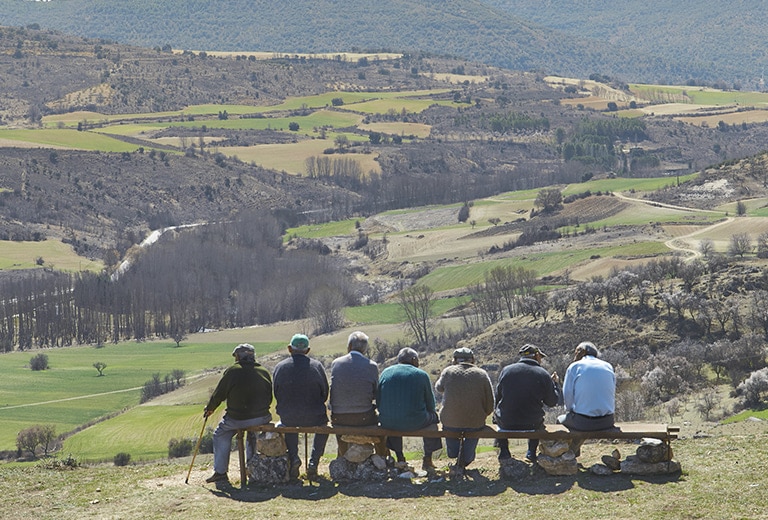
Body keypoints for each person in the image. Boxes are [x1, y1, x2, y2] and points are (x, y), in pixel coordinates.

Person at [203, 343, 273, 484]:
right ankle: (252, 469)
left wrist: (210, 408)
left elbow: (219, 394)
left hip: (236, 419)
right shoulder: (263, 371)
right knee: (252, 436)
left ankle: (220, 472)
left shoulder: (232, 371)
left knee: (220, 434)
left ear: (238, 357)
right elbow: (269, 396)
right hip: (260, 418)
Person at [272, 333, 330, 480]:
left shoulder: (280, 367)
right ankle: (314, 462)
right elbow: (324, 393)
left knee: (289, 421)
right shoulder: (317, 366)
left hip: (289, 416)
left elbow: (277, 393)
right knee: (324, 426)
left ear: (289, 349)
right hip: (314, 416)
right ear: (308, 350)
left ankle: (293, 457)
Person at [377, 347, 442, 472]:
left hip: (387, 421)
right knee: (434, 419)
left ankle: (400, 457)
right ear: (413, 360)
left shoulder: (385, 372)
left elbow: (379, 401)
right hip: (415, 421)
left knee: (394, 417)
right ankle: (427, 459)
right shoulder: (421, 375)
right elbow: (431, 404)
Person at [493, 344, 560, 463]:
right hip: (532, 424)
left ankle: (504, 451)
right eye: (541, 357)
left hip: (506, 423)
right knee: (536, 417)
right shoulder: (543, 374)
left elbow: (498, 398)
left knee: (499, 416)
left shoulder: (506, 371)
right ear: (537, 355)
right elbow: (552, 402)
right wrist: (555, 384)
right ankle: (531, 452)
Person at [434, 347, 494, 471]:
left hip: (450, 422)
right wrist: (485, 413)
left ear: (454, 360)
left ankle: (454, 454)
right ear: (472, 359)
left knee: (452, 443)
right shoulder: (482, 374)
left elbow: (438, 388)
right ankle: (467, 458)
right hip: (474, 422)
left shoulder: (448, 372)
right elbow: (490, 402)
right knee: (473, 431)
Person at [329, 331, 386, 457]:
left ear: (349, 346)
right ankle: (382, 457)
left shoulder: (336, 363)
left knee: (341, 425)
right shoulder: (372, 366)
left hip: (339, 417)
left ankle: (343, 456)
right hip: (363, 418)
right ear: (365, 350)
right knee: (383, 428)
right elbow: (376, 394)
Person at [558, 341, 616, 454]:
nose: (574, 356)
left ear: (581, 352)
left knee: (560, 420)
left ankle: (567, 455)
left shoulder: (574, 367)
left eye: (575, 352)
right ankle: (574, 452)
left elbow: (567, 395)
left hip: (583, 422)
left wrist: (571, 411)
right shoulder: (608, 366)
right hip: (608, 421)